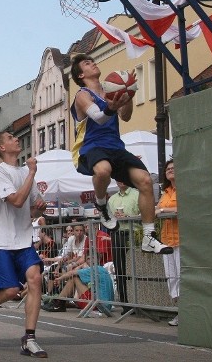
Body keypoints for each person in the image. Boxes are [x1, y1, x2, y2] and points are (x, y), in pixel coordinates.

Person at [69, 54, 171, 254]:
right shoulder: (83, 95)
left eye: (93, 61)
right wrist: (110, 106)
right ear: (81, 74)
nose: (94, 63)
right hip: (91, 146)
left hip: (115, 146)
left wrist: (129, 95)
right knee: (103, 170)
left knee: (145, 181)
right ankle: (101, 205)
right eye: (87, 63)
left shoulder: (111, 90)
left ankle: (149, 237)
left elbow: (126, 115)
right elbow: (98, 118)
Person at [0, 132, 48, 358]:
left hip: (23, 239)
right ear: (2, 148)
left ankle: (29, 338)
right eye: (10, 137)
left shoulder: (25, 173)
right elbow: (16, 201)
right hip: (0, 240)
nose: (16, 139)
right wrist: (33, 172)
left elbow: (31, 207)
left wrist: (39, 207)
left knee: (35, 279)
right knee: (11, 290)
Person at [107, 180, 140, 312]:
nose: (120, 181)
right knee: (120, 270)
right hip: (117, 234)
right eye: (117, 178)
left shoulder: (137, 195)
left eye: (122, 177)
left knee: (135, 269)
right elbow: (106, 218)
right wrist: (113, 218)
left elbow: (146, 214)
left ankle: (137, 302)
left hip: (134, 234)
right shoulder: (112, 199)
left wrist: (129, 216)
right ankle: (125, 304)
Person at [156, 159, 180, 326]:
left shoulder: (183, 189)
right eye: (168, 169)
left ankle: (186, 311)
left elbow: (182, 208)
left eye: (173, 168)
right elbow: (155, 209)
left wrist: (163, 210)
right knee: (171, 277)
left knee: (181, 276)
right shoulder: (166, 191)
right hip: (166, 239)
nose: (170, 170)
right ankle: (180, 310)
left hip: (181, 239)